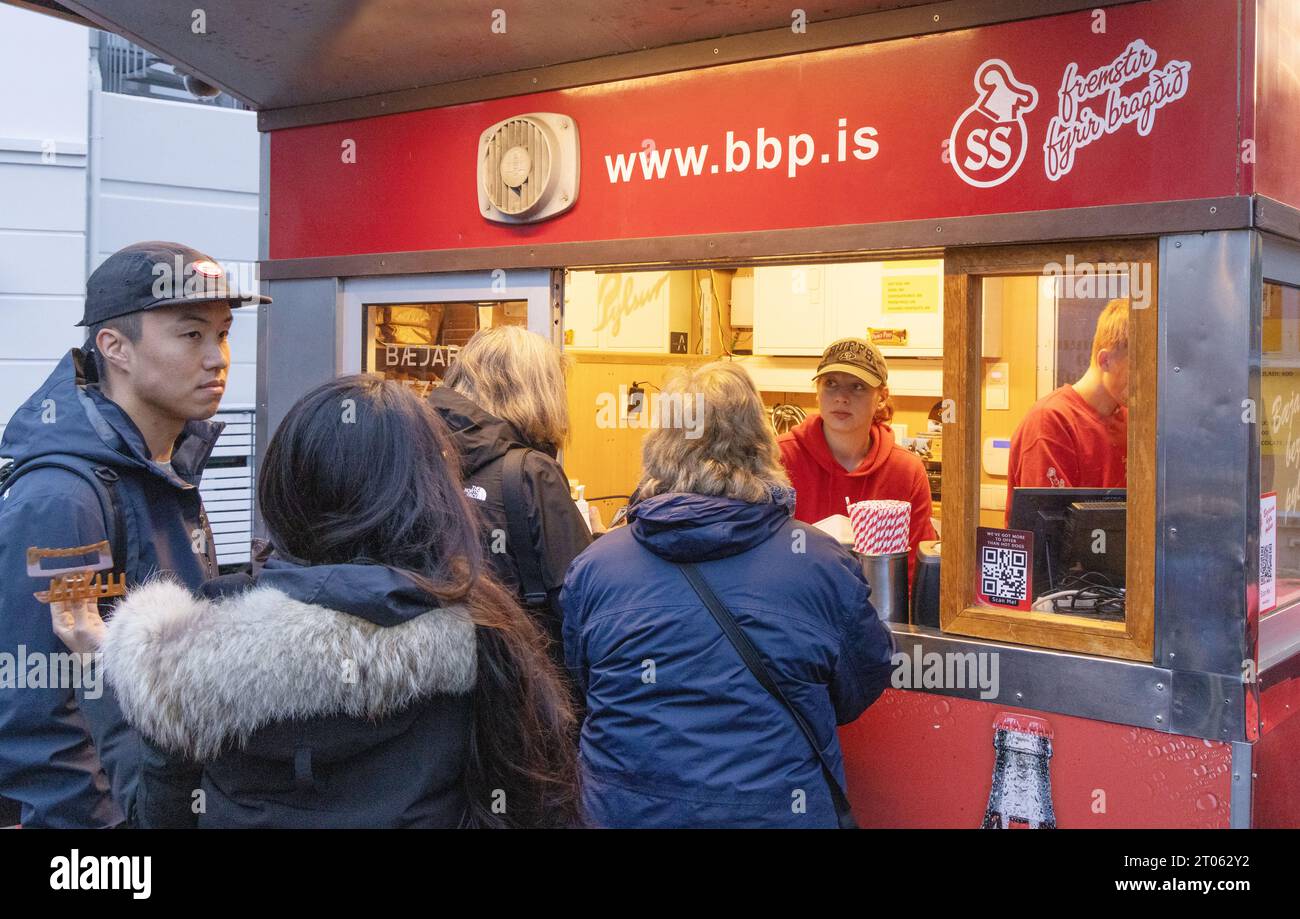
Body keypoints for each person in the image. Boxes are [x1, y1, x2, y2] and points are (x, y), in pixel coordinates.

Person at [50, 375, 583, 828]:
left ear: (284, 486)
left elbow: (156, 817)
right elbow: (537, 800)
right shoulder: (487, 637)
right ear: (433, 490)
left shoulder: (187, 656)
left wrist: (103, 669)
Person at [0, 241, 266, 828]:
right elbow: (35, 718)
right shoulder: (63, 498)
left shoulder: (165, 464)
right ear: (114, 348)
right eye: (191, 335)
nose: (218, 358)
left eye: (223, 334)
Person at [561, 361, 895, 828]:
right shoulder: (821, 563)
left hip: (626, 813)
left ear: (658, 447)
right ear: (761, 446)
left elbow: (580, 685)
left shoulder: (596, 566)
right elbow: (860, 685)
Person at [430, 325, 592, 662]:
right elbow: (579, 598)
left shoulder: (419, 450)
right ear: (537, 392)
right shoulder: (532, 473)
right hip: (518, 675)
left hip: (433, 668)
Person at [777, 337, 936, 581]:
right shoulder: (779, 459)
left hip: (882, 612)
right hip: (796, 609)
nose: (841, 397)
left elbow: (915, 572)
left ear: (881, 397)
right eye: (830, 383)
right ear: (817, 392)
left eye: (857, 386)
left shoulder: (906, 471)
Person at [1005, 298, 1129, 522]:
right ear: (1105, 361)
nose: (1149, 381)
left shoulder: (1132, 419)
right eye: (1137, 369)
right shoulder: (1051, 422)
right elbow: (1048, 536)